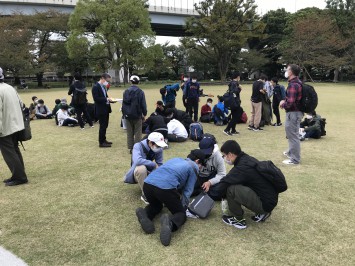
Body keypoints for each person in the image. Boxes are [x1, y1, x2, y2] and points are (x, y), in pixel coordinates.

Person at [135, 149, 205, 246]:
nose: (200, 168)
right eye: (201, 165)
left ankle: (145, 214)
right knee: (180, 213)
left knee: (156, 206)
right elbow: (188, 191)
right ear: (197, 161)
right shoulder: (193, 167)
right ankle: (170, 223)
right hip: (165, 188)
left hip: (148, 184)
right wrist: (183, 207)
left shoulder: (176, 159)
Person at [218, 140, 278, 229]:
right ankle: (263, 213)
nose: (225, 158)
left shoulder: (242, 167)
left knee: (231, 189)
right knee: (237, 184)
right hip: (270, 199)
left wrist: (210, 194)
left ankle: (238, 220)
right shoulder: (246, 159)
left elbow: (225, 182)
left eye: (224, 155)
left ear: (230, 154)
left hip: (265, 203)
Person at [0, 67, 28, 186]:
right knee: (15, 150)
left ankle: (20, 177)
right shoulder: (9, 87)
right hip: (16, 124)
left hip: (5, 127)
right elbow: (21, 104)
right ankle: (19, 174)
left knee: (9, 152)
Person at [124, 132, 167, 203]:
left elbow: (160, 164)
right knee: (141, 169)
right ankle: (146, 195)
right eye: (158, 146)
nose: (160, 148)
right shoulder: (137, 146)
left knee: (161, 170)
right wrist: (153, 164)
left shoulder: (159, 149)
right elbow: (137, 161)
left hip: (150, 172)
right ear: (150, 143)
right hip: (137, 172)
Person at [279, 64, 303, 165]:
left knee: (292, 135)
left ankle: (295, 159)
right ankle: (290, 152)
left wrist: (282, 103)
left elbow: (290, 102)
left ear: (291, 72)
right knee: (292, 134)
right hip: (297, 112)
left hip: (293, 113)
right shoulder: (298, 82)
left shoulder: (293, 84)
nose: (286, 71)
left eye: (287, 69)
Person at [194, 136, 226, 200]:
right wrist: (195, 166)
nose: (205, 154)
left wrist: (210, 182)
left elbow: (222, 174)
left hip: (211, 176)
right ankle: (202, 191)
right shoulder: (195, 153)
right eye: (203, 152)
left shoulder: (218, 157)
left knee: (222, 191)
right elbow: (187, 169)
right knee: (183, 188)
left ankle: (201, 191)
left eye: (207, 152)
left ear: (213, 148)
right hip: (198, 177)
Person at [122, 75, 147, 153]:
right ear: (138, 82)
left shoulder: (126, 91)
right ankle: (137, 148)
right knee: (138, 132)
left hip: (127, 115)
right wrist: (144, 113)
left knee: (129, 132)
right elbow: (143, 104)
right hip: (137, 114)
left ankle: (131, 148)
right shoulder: (140, 92)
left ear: (130, 81)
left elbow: (124, 103)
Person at [92, 73, 113, 148]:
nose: (107, 82)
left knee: (105, 125)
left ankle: (104, 139)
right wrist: (106, 99)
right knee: (102, 126)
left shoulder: (103, 87)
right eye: (107, 80)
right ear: (102, 78)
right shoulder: (95, 87)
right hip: (100, 109)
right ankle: (101, 142)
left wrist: (110, 100)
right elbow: (96, 98)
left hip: (106, 108)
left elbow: (105, 96)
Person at [223, 71, 243, 136]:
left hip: (232, 102)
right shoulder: (234, 83)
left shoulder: (232, 83)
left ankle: (233, 130)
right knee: (238, 114)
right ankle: (227, 129)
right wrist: (239, 88)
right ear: (237, 77)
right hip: (234, 102)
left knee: (234, 115)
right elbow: (234, 92)